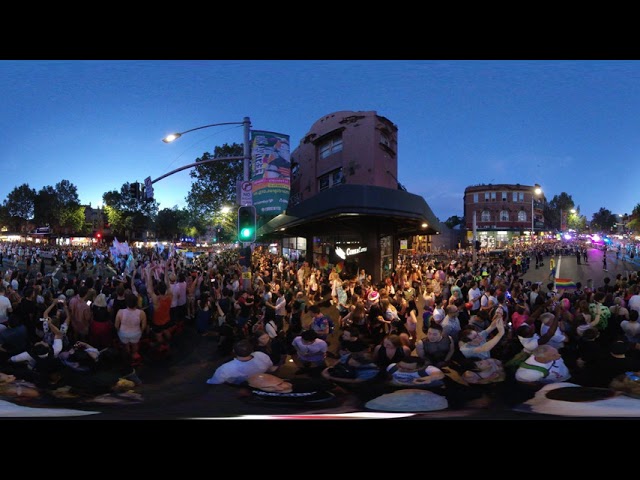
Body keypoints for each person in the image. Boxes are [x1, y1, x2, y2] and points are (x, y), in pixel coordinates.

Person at [206, 339, 273, 385]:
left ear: (233, 351)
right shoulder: (262, 356)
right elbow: (270, 367)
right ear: (252, 350)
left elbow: (215, 382)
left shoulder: (225, 369)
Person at [114, 293, 147, 365]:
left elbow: (116, 326)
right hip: (136, 334)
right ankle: (134, 354)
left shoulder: (120, 312)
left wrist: (119, 331)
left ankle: (128, 355)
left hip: (123, 334)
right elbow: (143, 326)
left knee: (126, 345)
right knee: (135, 344)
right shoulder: (141, 313)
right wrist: (139, 331)